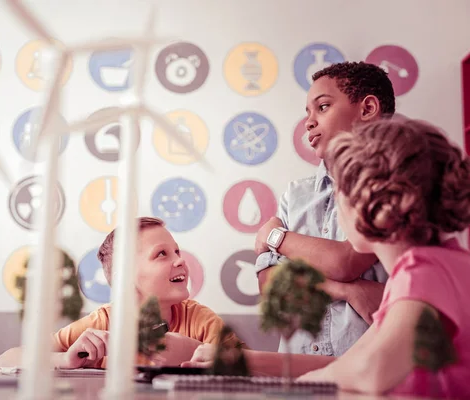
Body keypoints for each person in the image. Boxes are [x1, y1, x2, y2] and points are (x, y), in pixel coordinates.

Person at [187, 118, 470, 397]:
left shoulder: (423, 271)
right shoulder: (442, 265)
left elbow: (370, 371)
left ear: (372, 202)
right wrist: (242, 362)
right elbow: (348, 365)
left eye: (339, 193)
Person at [254, 61, 395, 356]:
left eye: (323, 107)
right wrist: (348, 290)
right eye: (307, 112)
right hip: (296, 369)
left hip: (368, 368)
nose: (308, 122)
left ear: (367, 109)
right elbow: (272, 289)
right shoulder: (295, 195)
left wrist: (275, 238)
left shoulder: (395, 185)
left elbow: (343, 262)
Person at [0, 217, 246, 373]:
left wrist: (199, 353)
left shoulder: (200, 320)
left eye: (177, 251)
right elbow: (3, 362)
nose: (180, 260)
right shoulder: (100, 324)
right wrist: (65, 359)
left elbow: (253, 370)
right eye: (162, 254)